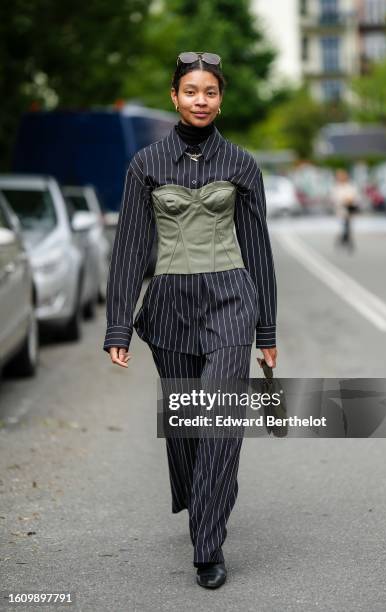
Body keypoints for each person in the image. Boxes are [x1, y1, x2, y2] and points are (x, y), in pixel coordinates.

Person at [102, 51, 278, 589]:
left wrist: (266, 330)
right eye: (192, 92)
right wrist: (119, 326)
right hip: (170, 309)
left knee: (219, 421)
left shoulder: (242, 164)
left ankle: (208, 546)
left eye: (212, 92)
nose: (202, 100)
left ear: (221, 100)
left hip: (231, 301)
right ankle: (206, 492)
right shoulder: (146, 164)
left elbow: (259, 250)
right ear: (174, 97)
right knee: (186, 427)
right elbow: (130, 249)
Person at [332, 168, 359, 252]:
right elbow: (335, 198)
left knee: (349, 227)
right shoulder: (336, 187)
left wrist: (350, 200)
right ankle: (341, 240)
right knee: (341, 227)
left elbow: (354, 197)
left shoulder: (350, 186)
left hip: (350, 209)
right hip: (340, 210)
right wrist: (344, 200)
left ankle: (349, 242)